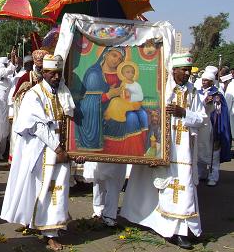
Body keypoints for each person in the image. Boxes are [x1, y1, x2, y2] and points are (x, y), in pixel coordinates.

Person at [120, 53, 206, 250]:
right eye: (183, 70)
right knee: (159, 185)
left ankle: (182, 231)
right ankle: (163, 225)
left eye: (188, 71)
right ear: (173, 70)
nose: (187, 74)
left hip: (184, 151)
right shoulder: (162, 89)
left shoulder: (193, 92)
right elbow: (147, 110)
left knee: (182, 186)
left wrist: (184, 113)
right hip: (162, 147)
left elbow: (203, 119)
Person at [1, 54, 82, 251]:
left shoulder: (63, 92)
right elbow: (38, 126)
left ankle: (51, 226)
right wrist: (57, 148)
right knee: (45, 190)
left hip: (61, 149)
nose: (55, 77)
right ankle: (49, 232)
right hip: (43, 151)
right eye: (52, 73)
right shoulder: (34, 94)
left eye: (58, 73)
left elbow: (70, 118)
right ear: (44, 73)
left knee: (58, 190)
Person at [76, 46, 148, 156]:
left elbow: (127, 92)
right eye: (114, 55)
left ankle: (137, 154)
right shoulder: (94, 74)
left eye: (120, 59)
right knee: (131, 118)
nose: (116, 60)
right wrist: (109, 95)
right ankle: (127, 152)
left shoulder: (121, 74)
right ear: (105, 54)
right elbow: (88, 102)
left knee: (142, 113)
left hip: (121, 105)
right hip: (101, 111)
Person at [197, 69, 231, 186]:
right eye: (203, 80)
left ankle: (213, 176)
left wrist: (216, 103)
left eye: (207, 80)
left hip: (212, 126)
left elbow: (220, 112)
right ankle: (200, 173)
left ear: (212, 82)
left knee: (213, 152)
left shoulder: (217, 94)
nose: (204, 82)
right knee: (199, 150)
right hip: (200, 126)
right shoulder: (198, 92)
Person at [0, 55, 16, 163]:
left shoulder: (8, 81)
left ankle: (1, 153)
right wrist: (13, 61)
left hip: (5, 108)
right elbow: (9, 70)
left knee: (4, 132)